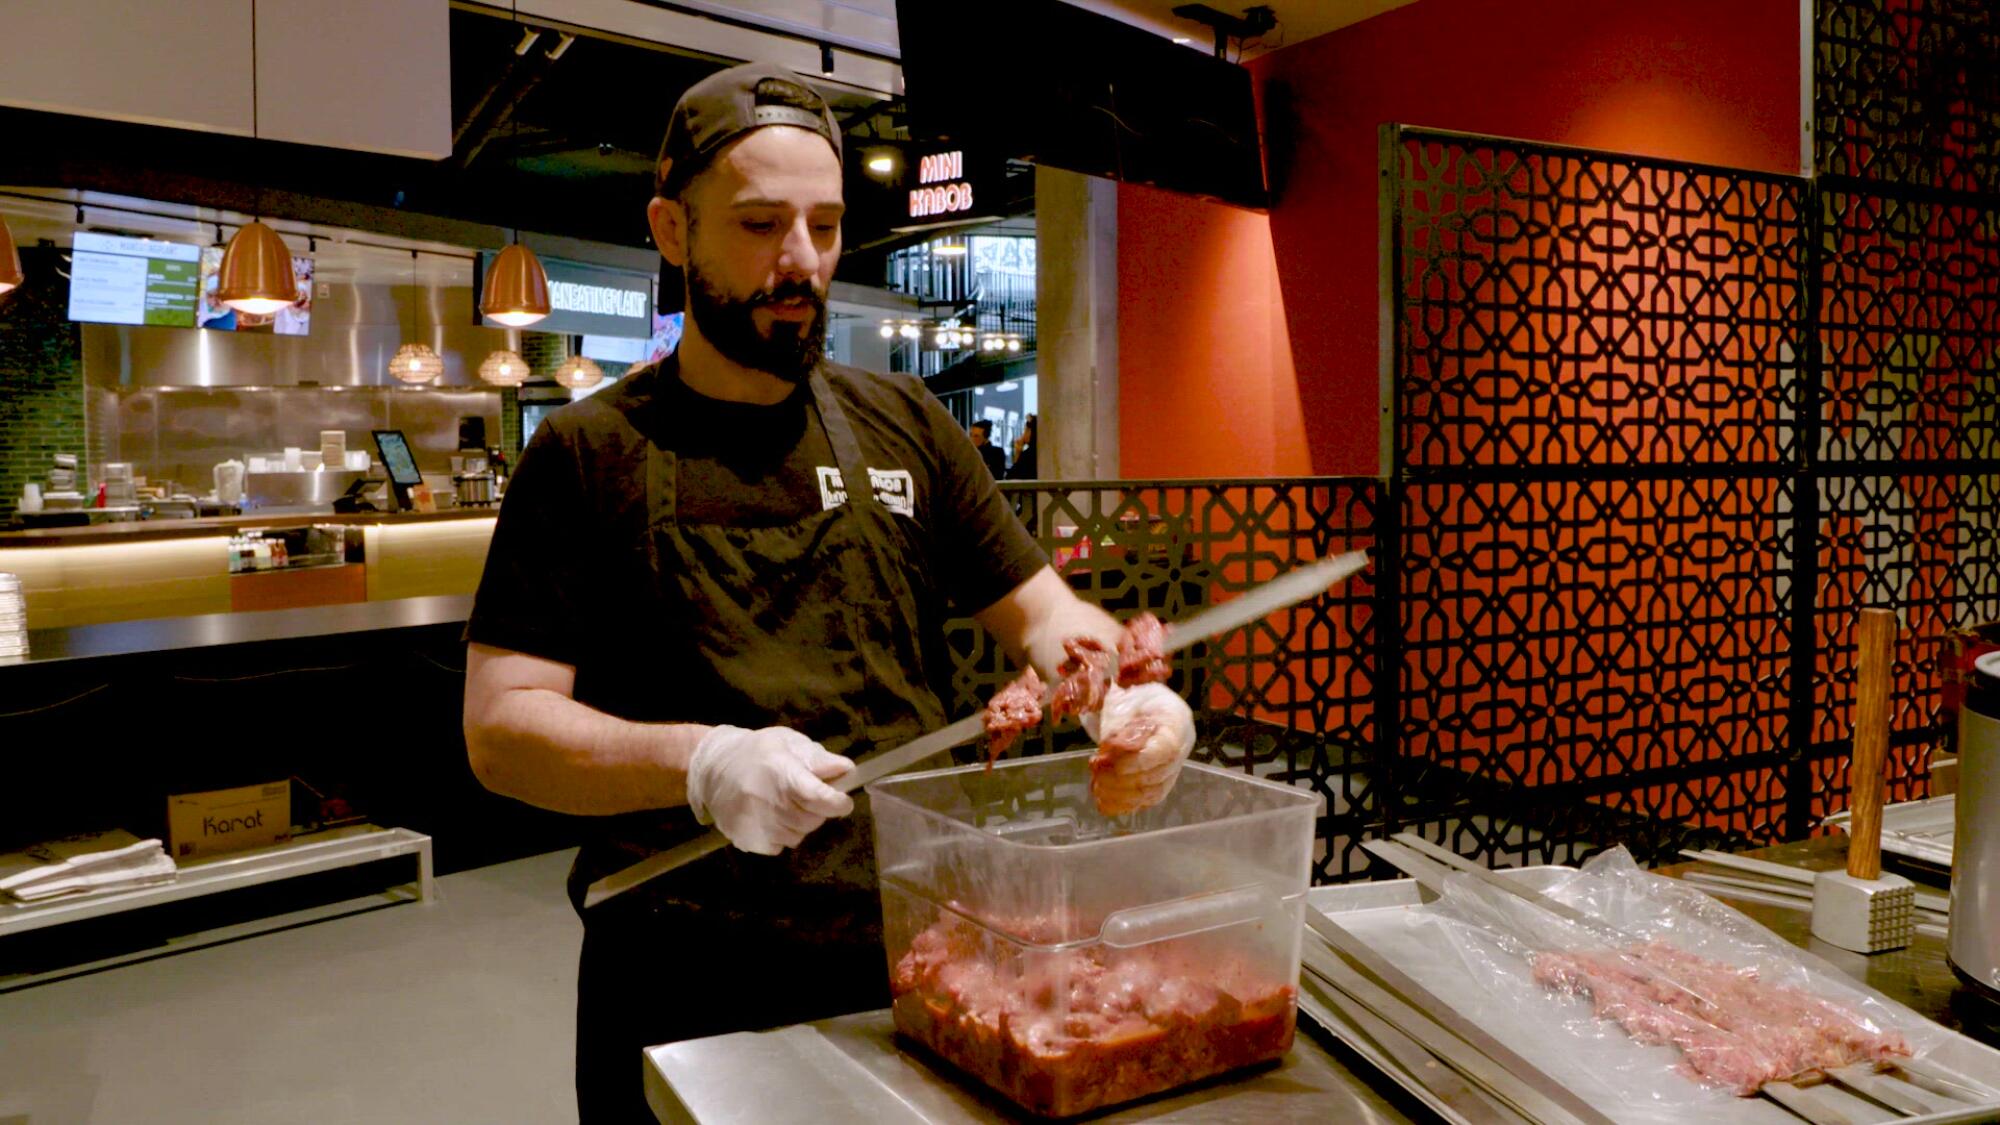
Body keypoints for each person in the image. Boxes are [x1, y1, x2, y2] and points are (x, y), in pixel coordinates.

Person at [459, 63, 1196, 1123]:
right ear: (672, 231)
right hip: (678, 963)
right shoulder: (587, 454)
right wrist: (703, 764)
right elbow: (502, 729)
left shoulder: (904, 421)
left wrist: (1117, 696)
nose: (799, 261)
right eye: (759, 225)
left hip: (906, 945)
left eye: (823, 223)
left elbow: (1042, 615)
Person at [1005, 413, 1038, 480]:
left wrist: (1018, 452)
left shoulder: (1028, 455)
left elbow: (1011, 477)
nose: (1024, 434)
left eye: (1025, 430)